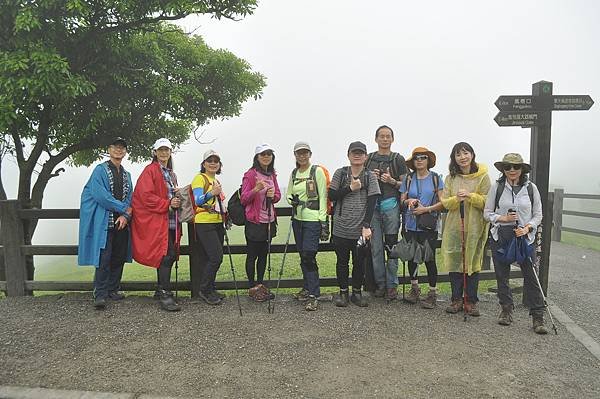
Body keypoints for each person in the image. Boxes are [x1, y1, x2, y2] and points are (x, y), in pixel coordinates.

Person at [484, 153, 548, 334]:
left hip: (524, 237)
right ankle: (506, 309)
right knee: (501, 275)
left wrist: (528, 227)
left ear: (522, 169)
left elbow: (538, 215)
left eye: (516, 167)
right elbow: (487, 212)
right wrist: (502, 218)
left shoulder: (531, 188)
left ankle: (538, 316)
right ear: (503, 170)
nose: (512, 170)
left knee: (531, 276)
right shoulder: (497, 187)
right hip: (501, 236)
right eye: (508, 167)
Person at [78, 137, 133, 309]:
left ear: (125, 152)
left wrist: (125, 216)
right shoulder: (100, 171)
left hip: (122, 222)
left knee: (118, 257)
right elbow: (101, 196)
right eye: (115, 147)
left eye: (122, 148)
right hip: (105, 222)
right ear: (109, 150)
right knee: (104, 258)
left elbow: (131, 196)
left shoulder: (127, 174)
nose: (119, 150)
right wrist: (125, 208)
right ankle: (100, 293)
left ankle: (113, 290)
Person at [131, 138, 182, 312]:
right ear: (154, 152)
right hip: (159, 221)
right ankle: (165, 294)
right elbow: (144, 196)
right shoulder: (150, 170)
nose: (163, 153)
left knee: (170, 253)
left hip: (171, 221)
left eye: (166, 150)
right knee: (165, 255)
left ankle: (160, 290)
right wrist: (167, 204)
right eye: (160, 150)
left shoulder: (171, 173)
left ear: (170, 152)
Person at [441, 142, 491, 317]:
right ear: (454, 158)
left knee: (472, 263)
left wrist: (471, 196)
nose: (462, 157)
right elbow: (445, 202)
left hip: (476, 226)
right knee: (455, 262)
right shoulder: (451, 178)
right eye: (458, 154)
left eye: (465, 153)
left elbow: (488, 201)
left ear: (472, 154)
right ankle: (456, 299)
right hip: (455, 226)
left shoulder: (483, 176)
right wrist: (457, 199)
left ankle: (471, 301)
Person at [329, 141, 380, 307]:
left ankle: (356, 293)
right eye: (354, 152)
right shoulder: (340, 173)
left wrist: (366, 225)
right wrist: (350, 188)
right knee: (342, 262)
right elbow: (332, 195)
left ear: (365, 156)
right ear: (348, 155)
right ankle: (343, 293)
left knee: (359, 263)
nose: (357, 155)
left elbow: (373, 201)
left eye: (360, 153)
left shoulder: (369, 175)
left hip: (360, 229)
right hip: (341, 226)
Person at [364, 125, 407, 299]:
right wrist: (371, 177)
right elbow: (361, 180)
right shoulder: (369, 159)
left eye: (388, 136)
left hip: (391, 206)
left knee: (391, 246)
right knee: (375, 248)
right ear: (376, 139)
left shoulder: (398, 159)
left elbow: (406, 185)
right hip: (373, 207)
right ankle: (380, 284)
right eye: (381, 136)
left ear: (392, 139)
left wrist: (391, 181)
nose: (384, 139)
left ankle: (392, 285)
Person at [399, 147, 444, 308]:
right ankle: (414, 288)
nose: (419, 160)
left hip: (428, 225)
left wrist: (426, 209)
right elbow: (402, 200)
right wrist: (409, 201)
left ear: (428, 161)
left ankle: (432, 293)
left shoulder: (436, 179)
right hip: (411, 224)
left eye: (423, 157)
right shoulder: (408, 178)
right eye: (416, 157)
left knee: (429, 260)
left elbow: (443, 202)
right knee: (412, 258)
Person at [286, 141, 328, 311]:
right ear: (295, 155)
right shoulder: (295, 173)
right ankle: (307, 289)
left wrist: (323, 220)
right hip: (298, 219)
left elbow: (323, 196)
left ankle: (314, 294)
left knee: (309, 255)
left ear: (310, 154)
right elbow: (289, 193)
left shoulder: (316, 171)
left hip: (312, 219)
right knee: (303, 254)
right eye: (299, 153)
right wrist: (292, 200)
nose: (302, 156)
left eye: (305, 153)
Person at [240, 143, 281, 302]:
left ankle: (261, 286)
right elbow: (244, 199)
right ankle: (252, 287)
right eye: (263, 154)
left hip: (269, 222)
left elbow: (277, 195)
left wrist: (273, 195)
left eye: (269, 154)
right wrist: (256, 189)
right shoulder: (250, 175)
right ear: (257, 157)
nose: (266, 157)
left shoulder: (272, 175)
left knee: (263, 255)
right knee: (252, 256)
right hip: (254, 222)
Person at [191, 149, 227, 305]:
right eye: (209, 161)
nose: (213, 163)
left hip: (217, 221)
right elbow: (198, 200)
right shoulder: (199, 178)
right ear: (204, 164)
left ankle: (211, 288)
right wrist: (212, 193)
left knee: (211, 257)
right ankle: (204, 289)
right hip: (204, 222)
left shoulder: (216, 181)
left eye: (216, 161)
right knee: (216, 256)